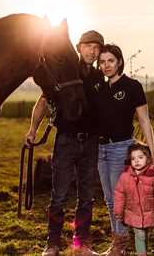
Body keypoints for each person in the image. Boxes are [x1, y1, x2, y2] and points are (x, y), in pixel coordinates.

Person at [25, 30, 104, 256]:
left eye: (97, 48)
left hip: (90, 143)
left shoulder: (100, 77)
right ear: (79, 48)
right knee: (58, 195)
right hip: (66, 141)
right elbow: (42, 101)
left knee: (86, 196)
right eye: (89, 46)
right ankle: (52, 244)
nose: (93, 51)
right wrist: (32, 130)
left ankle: (81, 244)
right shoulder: (66, 68)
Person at [94, 44, 154, 256]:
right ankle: (119, 243)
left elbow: (144, 120)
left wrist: (153, 155)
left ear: (119, 62)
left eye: (110, 61)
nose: (106, 65)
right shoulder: (99, 89)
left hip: (120, 149)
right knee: (108, 198)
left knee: (119, 198)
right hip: (100, 150)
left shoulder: (132, 86)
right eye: (102, 62)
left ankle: (121, 246)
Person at [114, 143, 154, 256]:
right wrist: (118, 212)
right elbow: (119, 194)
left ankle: (144, 252)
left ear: (148, 159)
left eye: (140, 157)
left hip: (149, 214)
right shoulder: (125, 177)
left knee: (145, 235)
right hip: (134, 213)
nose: (136, 161)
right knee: (140, 235)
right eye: (133, 158)